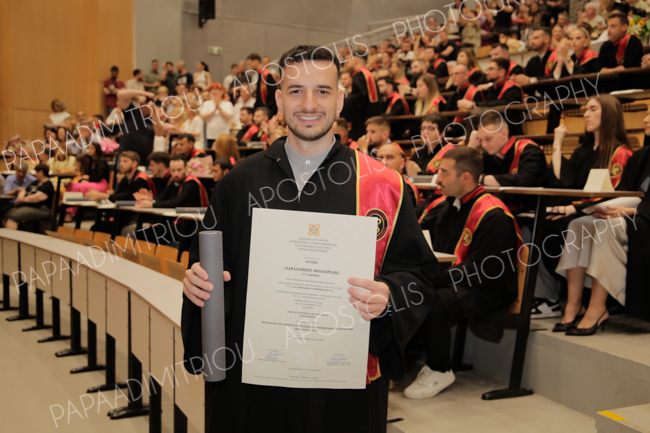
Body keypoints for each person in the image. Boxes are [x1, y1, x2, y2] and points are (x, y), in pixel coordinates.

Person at [181, 44, 437, 433]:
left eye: (322, 91)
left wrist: (389, 295)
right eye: (296, 91)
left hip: (342, 387)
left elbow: (417, 274)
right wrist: (197, 282)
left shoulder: (383, 186)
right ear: (279, 101)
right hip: (253, 385)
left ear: (340, 100)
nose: (309, 104)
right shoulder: (238, 184)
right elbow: (211, 273)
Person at [411, 146, 521, 399]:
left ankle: (439, 369)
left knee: (433, 301)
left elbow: (483, 270)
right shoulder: (449, 206)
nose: (437, 179)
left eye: (444, 173)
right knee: (408, 288)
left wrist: (435, 280)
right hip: (461, 280)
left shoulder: (493, 214)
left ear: (466, 177)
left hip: (487, 288)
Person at [533, 95, 634, 318]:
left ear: (608, 114)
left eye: (593, 109)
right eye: (586, 110)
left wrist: (574, 209)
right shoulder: (583, 150)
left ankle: (583, 299)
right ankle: (563, 298)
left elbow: (613, 194)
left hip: (601, 214)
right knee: (540, 223)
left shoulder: (621, 152)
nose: (586, 114)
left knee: (559, 226)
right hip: (580, 211)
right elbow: (563, 181)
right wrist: (557, 144)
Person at [114, 88, 169, 165]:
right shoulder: (131, 112)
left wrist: (153, 112)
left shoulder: (153, 118)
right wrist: (143, 93)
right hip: (126, 157)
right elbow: (121, 94)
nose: (143, 106)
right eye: (142, 104)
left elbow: (159, 133)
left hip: (144, 159)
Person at [134, 156, 208, 209]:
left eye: (179, 170)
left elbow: (177, 203)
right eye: (173, 170)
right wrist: (149, 200)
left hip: (194, 222)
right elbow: (163, 197)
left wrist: (152, 204)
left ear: (186, 169)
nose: (176, 174)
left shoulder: (191, 183)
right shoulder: (175, 180)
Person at [340, 50, 382, 140]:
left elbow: (357, 99)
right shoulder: (367, 74)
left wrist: (343, 104)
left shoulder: (359, 75)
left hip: (362, 122)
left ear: (355, 61)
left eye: (349, 60)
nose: (347, 63)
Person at [86, 151, 155, 202]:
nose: (121, 164)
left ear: (134, 163)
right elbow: (118, 194)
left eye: (125, 161)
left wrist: (103, 195)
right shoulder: (125, 179)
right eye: (121, 161)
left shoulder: (141, 179)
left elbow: (129, 196)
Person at [2, 164, 55, 230]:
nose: (35, 174)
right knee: (6, 213)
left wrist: (22, 199)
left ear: (41, 172)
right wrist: (21, 197)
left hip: (40, 208)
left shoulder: (48, 185)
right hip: (27, 205)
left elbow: (37, 198)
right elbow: (23, 190)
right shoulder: (35, 182)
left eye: (36, 172)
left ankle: (11, 235)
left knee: (14, 216)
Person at [443, 64, 485, 137]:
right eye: (452, 74)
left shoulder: (474, 92)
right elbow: (447, 114)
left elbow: (477, 116)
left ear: (466, 75)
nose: (453, 76)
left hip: (467, 130)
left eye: (457, 74)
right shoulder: (453, 95)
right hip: (452, 130)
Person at [376, 143, 420, 207]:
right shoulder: (372, 184)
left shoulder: (406, 187)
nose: (384, 162)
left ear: (402, 163)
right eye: (380, 158)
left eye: (390, 157)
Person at [200, 82, 234, 149]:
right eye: (212, 89)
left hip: (224, 134)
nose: (213, 91)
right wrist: (214, 110)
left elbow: (229, 117)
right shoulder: (207, 103)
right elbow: (203, 116)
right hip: (210, 134)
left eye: (216, 89)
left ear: (222, 91)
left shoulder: (228, 104)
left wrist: (219, 108)